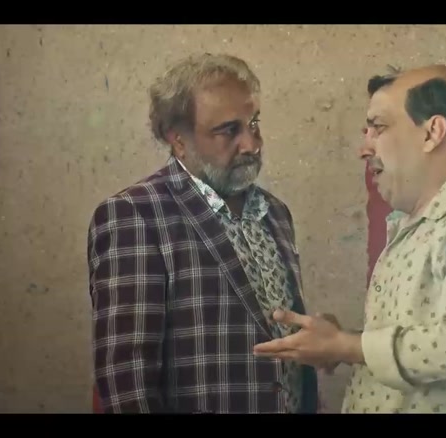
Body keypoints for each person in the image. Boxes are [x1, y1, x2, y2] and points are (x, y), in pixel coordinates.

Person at [254, 64, 446, 413]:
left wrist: (347, 346)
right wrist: (342, 342)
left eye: (378, 127)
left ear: (432, 132)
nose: (364, 148)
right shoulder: (418, 224)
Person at [87, 53, 318, 413]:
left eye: (253, 123)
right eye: (229, 130)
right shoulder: (135, 215)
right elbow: (127, 381)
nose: (252, 144)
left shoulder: (275, 213)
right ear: (178, 140)